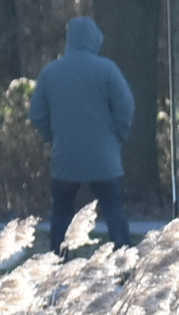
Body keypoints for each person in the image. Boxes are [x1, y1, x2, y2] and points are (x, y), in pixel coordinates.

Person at [27, 17, 134, 252]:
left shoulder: (50, 73)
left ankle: (57, 260)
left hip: (66, 155)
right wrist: (116, 138)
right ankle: (124, 260)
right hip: (103, 156)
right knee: (113, 208)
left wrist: (55, 137)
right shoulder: (107, 70)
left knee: (62, 210)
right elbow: (125, 108)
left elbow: (37, 114)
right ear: (95, 39)